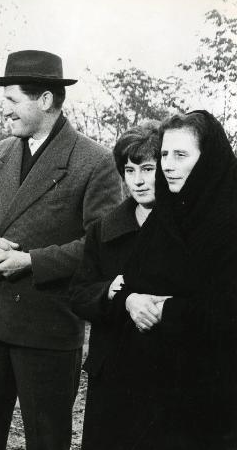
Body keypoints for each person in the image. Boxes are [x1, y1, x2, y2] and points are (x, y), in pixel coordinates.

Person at [0, 49, 121, 450]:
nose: (5, 111)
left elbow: (103, 248)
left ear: (45, 100)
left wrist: (31, 261)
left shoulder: (94, 161)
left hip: (46, 331)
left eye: (13, 101)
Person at [89, 111, 237, 449]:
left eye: (180, 155)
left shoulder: (228, 220)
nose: (168, 165)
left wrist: (165, 310)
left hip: (214, 387)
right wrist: (131, 299)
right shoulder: (166, 216)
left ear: (208, 160)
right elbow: (132, 277)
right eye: (165, 154)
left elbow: (226, 310)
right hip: (155, 384)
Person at [69, 121, 163, 450]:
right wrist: (113, 294)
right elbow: (79, 294)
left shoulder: (190, 229)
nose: (137, 180)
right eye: (130, 169)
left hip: (167, 373)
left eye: (148, 168)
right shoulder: (104, 230)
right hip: (113, 371)